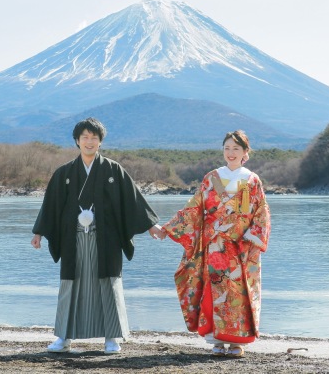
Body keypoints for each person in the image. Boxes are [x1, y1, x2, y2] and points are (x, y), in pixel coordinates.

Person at [31, 117, 160, 354]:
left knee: (108, 284)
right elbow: (51, 205)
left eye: (94, 138)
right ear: (77, 141)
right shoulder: (65, 173)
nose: (89, 142)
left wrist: (151, 225)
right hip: (74, 238)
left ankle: (112, 338)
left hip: (106, 238)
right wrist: (39, 231)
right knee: (70, 285)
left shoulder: (113, 170)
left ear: (100, 142)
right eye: (85, 138)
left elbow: (133, 201)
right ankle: (64, 337)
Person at [153, 130, 271, 358]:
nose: (231, 153)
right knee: (214, 291)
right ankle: (216, 340)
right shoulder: (212, 178)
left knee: (238, 294)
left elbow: (261, 214)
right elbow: (194, 208)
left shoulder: (252, 180)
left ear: (245, 152)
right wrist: (169, 228)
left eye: (236, 149)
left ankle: (237, 343)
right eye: (227, 148)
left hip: (241, 247)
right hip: (215, 245)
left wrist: (250, 239)